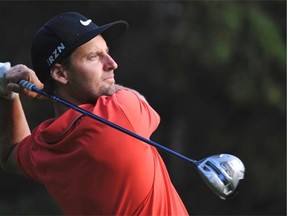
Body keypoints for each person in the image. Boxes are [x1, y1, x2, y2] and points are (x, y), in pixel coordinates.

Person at [0, 12, 189, 215]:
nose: (111, 63)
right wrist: (41, 92)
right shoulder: (123, 113)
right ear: (60, 74)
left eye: (106, 52)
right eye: (94, 57)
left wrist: (6, 92)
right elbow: (137, 99)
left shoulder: (46, 146)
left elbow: (10, 154)